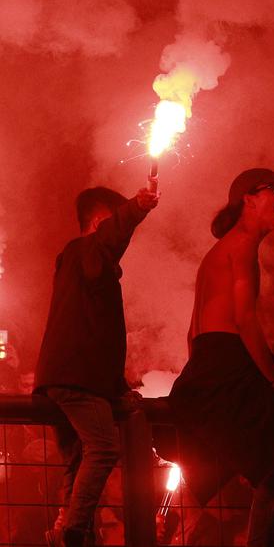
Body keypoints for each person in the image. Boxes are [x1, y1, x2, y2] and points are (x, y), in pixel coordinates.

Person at [165, 167, 274, 547]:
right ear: (248, 199)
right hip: (226, 366)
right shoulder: (242, 244)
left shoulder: (222, 250)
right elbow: (245, 320)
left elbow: (192, 333)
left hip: (211, 365)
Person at [35, 183, 159, 547]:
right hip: (77, 379)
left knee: (76, 460)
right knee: (103, 448)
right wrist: (138, 207)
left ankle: (65, 531)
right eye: (115, 224)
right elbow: (94, 342)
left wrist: (119, 387)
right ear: (100, 223)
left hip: (64, 376)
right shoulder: (86, 251)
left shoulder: (82, 265)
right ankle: (74, 531)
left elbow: (96, 338)